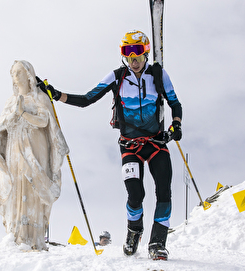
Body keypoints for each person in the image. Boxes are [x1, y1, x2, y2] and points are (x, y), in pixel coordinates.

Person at [37, 30, 182, 260]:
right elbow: (87, 99)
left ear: (145, 53)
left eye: (137, 54)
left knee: (164, 191)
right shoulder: (117, 77)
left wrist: (176, 126)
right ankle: (134, 231)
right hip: (129, 145)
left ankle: (157, 243)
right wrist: (55, 94)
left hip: (156, 143)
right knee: (136, 193)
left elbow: (175, 104)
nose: (133, 60)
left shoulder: (158, 75)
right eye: (127, 54)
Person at [0, 60, 69, 251]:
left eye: (18, 73)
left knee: (33, 186)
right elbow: (2, 126)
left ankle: (34, 238)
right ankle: (16, 235)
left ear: (28, 75)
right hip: (14, 148)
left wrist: (24, 114)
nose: (15, 78)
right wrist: (11, 119)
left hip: (35, 148)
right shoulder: (10, 101)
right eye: (13, 74)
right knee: (17, 185)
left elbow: (44, 121)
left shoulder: (39, 98)